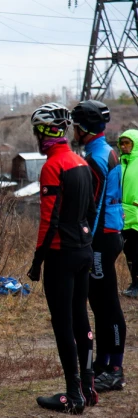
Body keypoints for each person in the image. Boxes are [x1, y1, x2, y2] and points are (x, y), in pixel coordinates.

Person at [27, 103, 97, 414]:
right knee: (82, 319)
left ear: (43, 132)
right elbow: (90, 212)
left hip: (60, 254)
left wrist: (36, 261)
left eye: (36, 132)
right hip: (83, 249)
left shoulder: (52, 166)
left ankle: (73, 395)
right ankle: (88, 387)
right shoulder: (80, 162)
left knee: (63, 325)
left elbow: (48, 220)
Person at [72, 100, 127, 393]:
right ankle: (106, 366)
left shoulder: (94, 159)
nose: (73, 131)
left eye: (75, 126)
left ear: (84, 129)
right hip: (110, 233)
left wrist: (84, 244)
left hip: (100, 238)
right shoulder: (105, 150)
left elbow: (91, 208)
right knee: (100, 304)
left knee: (107, 305)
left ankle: (115, 370)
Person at [119, 129, 138, 298]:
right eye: (122, 143)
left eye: (128, 143)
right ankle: (134, 284)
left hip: (137, 215)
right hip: (123, 216)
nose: (124, 146)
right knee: (129, 252)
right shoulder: (120, 163)